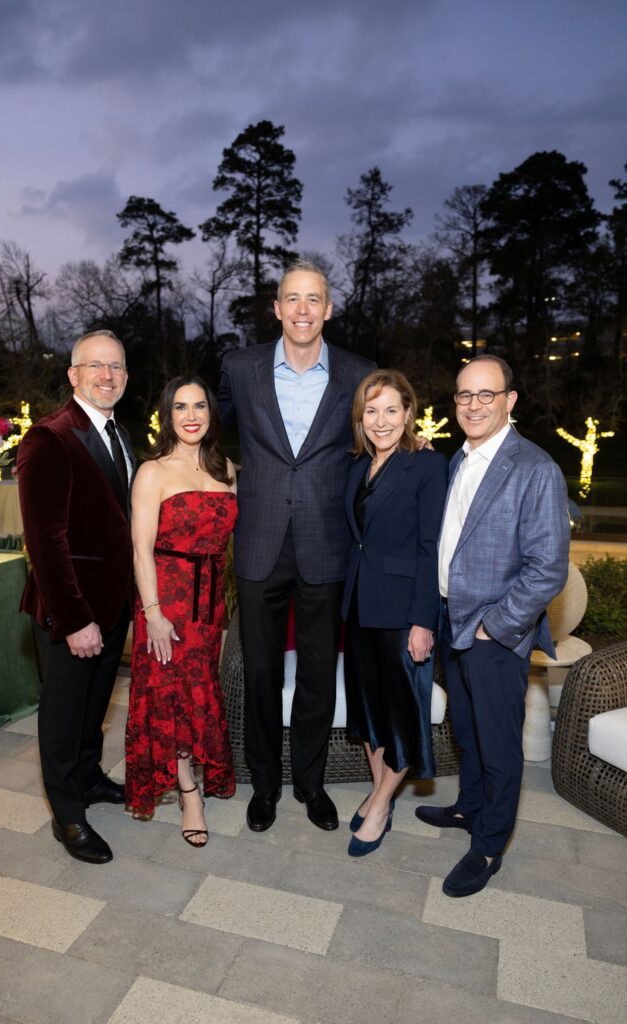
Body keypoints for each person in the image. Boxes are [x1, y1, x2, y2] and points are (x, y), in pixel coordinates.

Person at [219, 259, 374, 832]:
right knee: (259, 671)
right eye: (293, 299)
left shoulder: (360, 373)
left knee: (315, 672)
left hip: (328, 544)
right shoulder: (240, 367)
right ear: (277, 308)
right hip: (259, 542)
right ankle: (264, 785)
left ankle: (310, 784)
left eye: (315, 300)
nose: (304, 310)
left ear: (329, 309)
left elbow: (374, 447)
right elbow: (209, 432)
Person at [415, 354, 569, 896]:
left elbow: (547, 566)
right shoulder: (458, 460)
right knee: (469, 730)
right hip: (451, 622)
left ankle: (489, 846)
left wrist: (496, 626)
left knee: (500, 742)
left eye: (486, 395)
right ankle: (471, 808)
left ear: (510, 401)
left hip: (493, 635)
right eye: (464, 395)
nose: (473, 405)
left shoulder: (534, 468)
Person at [17, 330, 135, 865]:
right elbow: (46, 542)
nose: (106, 376)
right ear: (73, 374)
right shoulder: (51, 437)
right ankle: (68, 814)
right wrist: (75, 620)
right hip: (73, 613)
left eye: (116, 367)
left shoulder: (119, 434)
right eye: (95, 366)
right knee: (64, 717)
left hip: (113, 608)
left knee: (93, 710)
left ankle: (88, 778)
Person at [126, 376, 237, 846]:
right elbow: (140, 549)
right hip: (166, 599)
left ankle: (190, 776)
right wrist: (152, 613)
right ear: (167, 415)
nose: (191, 416)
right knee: (170, 693)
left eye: (199, 406)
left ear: (211, 413)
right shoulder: (152, 471)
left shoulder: (228, 469)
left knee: (201, 690)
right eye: (180, 407)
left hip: (210, 603)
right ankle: (188, 790)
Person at [342, 370, 447, 856]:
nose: (381, 421)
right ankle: (376, 788)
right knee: (368, 712)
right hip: (359, 607)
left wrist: (424, 621)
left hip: (403, 613)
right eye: (371, 410)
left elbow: (432, 549)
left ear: (408, 413)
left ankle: (382, 804)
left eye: (390, 410)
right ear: (360, 418)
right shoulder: (355, 467)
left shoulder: (426, 466)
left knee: (402, 717)